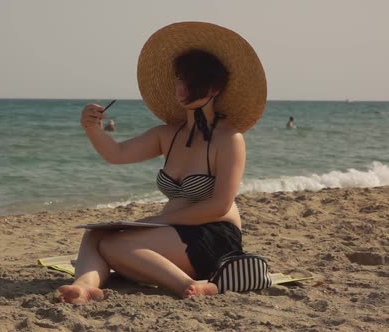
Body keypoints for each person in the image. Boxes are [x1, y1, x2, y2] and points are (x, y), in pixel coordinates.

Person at [57, 22, 268, 304]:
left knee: (116, 244)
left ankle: (190, 286)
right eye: (179, 79)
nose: (181, 87)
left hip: (214, 235)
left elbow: (219, 205)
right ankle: (84, 287)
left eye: (191, 81)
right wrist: (92, 128)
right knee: (97, 234)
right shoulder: (168, 134)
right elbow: (116, 154)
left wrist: (153, 221)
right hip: (172, 232)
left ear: (215, 87)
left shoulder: (229, 139)